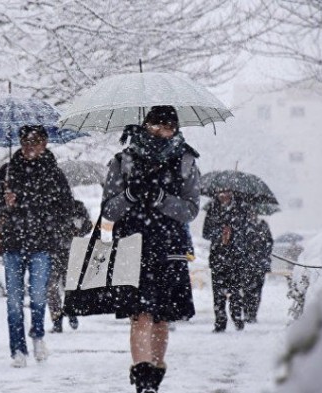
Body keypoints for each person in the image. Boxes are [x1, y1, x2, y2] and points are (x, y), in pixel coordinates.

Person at [101, 106, 200, 393]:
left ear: (175, 129)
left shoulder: (186, 161)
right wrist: (130, 195)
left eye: (166, 127)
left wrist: (161, 198)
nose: (159, 132)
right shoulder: (124, 161)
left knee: (161, 317)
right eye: (154, 126)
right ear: (145, 125)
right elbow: (108, 209)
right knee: (140, 314)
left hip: (169, 247)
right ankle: (143, 383)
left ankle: (154, 376)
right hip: (132, 247)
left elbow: (190, 210)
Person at [0, 124, 75, 368]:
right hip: (12, 244)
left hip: (41, 245)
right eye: (25, 142)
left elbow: (66, 207)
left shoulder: (54, 173)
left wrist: (31, 204)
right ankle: (17, 349)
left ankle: (37, 335)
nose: (29, 147)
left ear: (44, 144)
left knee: (37, 296)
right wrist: (4, 203)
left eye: (34, 142)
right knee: (13, 301)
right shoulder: (7, 171)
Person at [202, 190, 250, 332]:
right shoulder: (212, 209)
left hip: (236, 258)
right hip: (218, 258)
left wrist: (233, 232)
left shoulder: (240, 209)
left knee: (236, 292)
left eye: (227, 192)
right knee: (218, 294)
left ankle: (237, 318)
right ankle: (220, 322)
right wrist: (219, 233)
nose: (223, 196)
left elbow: (246, 231)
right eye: (220, 193)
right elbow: (206, 232)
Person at [47, 199, 93, 333]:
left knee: (59, 286)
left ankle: (66, 314)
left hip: (65, 250)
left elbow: (87, 225)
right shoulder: (50, 206)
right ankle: (59, 318)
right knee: (55, 286)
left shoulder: (76, 206)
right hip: (58, 250)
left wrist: (77, 229)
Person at [242, 211, 274, 323]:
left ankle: (253, 313)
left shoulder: (263, 224)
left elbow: (269, 242)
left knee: (257, 289)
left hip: (260, 263)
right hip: (247, 263)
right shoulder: (243, 225)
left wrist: (263, 252)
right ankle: (247, 312)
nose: (252, 215)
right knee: (247, 289)